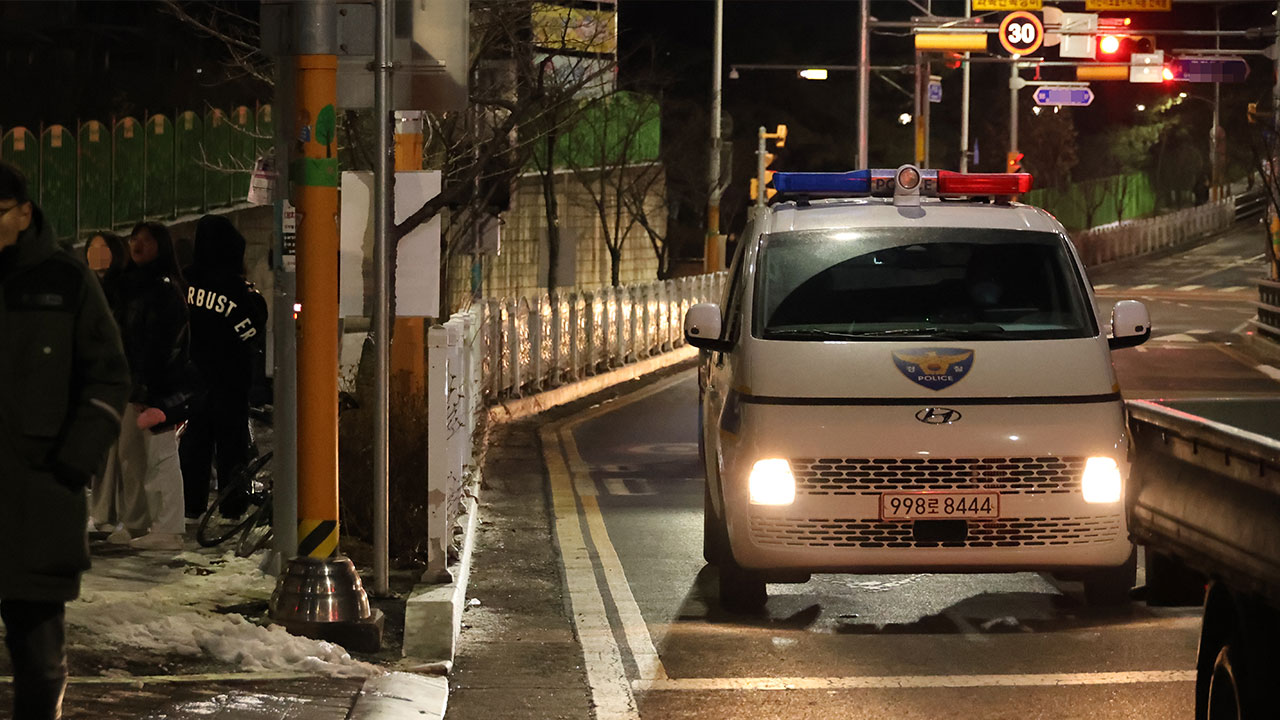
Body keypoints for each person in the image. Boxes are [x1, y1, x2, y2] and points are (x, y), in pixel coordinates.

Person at [0, 162, 130, 719]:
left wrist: (75, 461)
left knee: (39, 661)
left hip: (40, 495)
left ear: (24, 213)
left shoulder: (64, 280)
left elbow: (108, 374)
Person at [108, 221, 195, 550]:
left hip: (158, 386)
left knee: (160, 454)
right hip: (133, 385)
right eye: (134, 239)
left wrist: (149, 390)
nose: (137, 245)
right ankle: (136, 522)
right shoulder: (129, 285)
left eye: (146, 240)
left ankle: (168, 527)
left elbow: (162, 345)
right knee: (130, 455)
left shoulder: (164, 288)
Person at [180, 214, 268, 519]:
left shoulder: (185, 284)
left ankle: (191, 506)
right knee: (232, 448)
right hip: (231, 381)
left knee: (195, 445)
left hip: (194, 379)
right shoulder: (241, 293)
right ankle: (232, 507)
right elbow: (253, 331)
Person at [82, 232, 132, 532]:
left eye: (103, 248)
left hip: (113, 380)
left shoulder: (122, 290)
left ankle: (109, 514)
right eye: (92, 248)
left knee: (116, 453)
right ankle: (101, 513)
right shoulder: (83, 286)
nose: (97, 254)